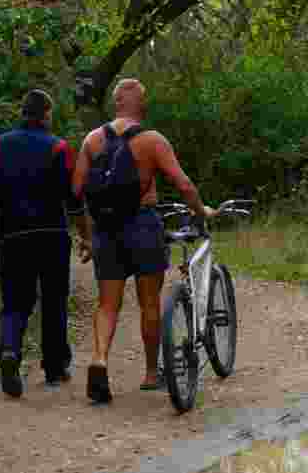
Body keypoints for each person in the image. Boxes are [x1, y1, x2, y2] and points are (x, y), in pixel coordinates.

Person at [72, 78, 216, 404]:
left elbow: (75, 193)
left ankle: (99, 359)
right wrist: (200, 211)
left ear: (115, 103)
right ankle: (152, 374)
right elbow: (183, 184)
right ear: (139, 104)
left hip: (107, 230)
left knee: (108, 304)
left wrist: (87, 234)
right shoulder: (152, 140)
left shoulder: (92, 141)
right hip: (142, 225)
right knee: (149, 303)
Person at [0, 89, 93, 398]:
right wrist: (86, 234)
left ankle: (10, 350)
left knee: (15, 301)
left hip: (11, 235)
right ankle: (54, 367)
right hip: (51, 235)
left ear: (22, 112)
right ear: (45, 114)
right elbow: (74, 199)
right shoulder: (59, 148)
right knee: (54, 300)